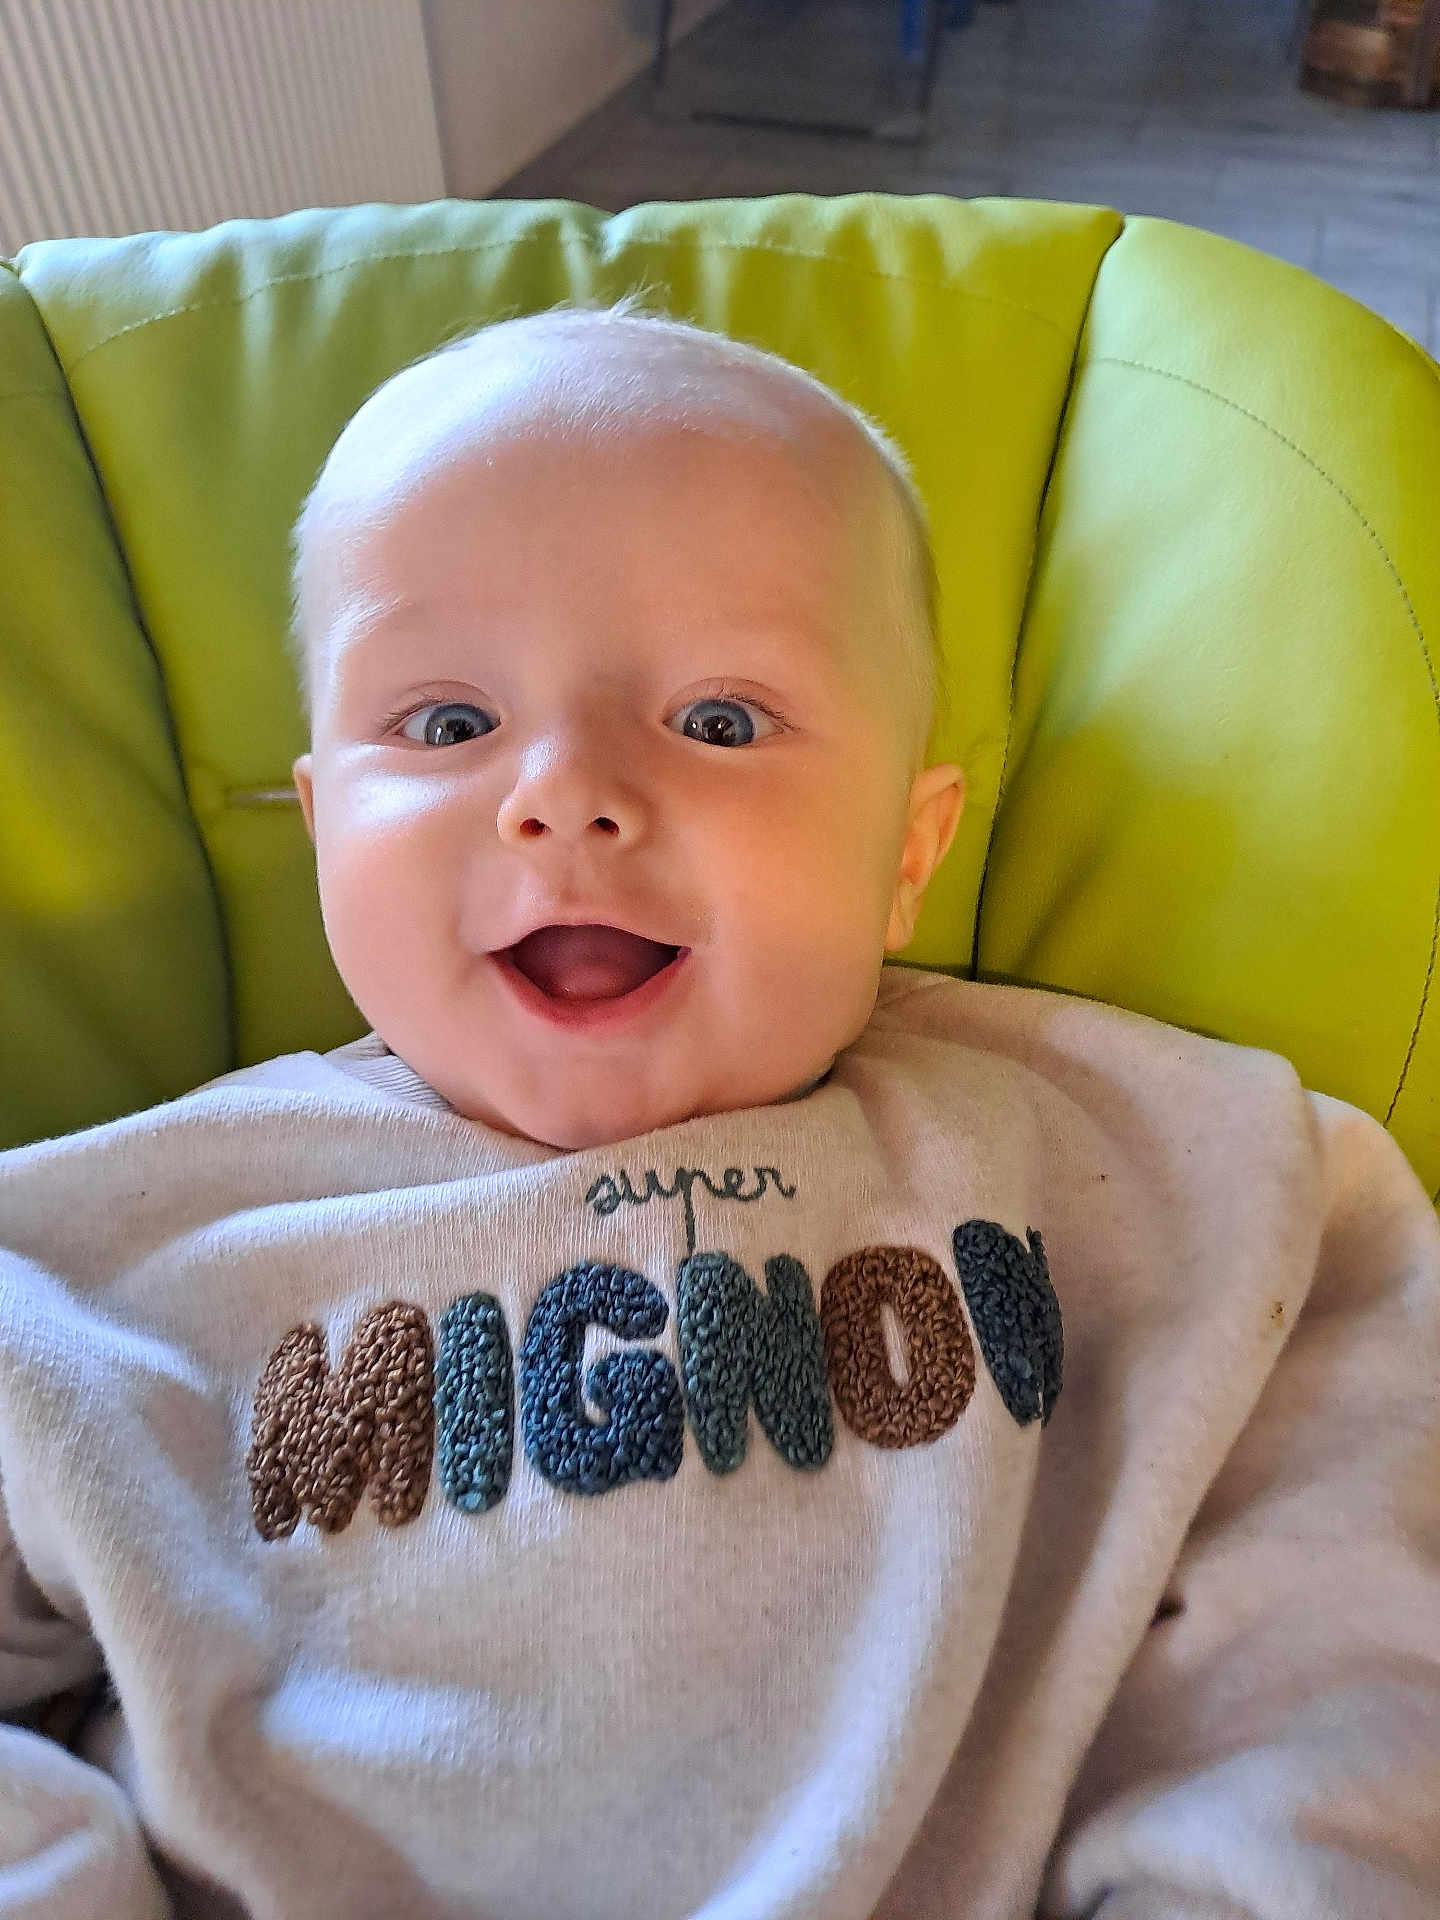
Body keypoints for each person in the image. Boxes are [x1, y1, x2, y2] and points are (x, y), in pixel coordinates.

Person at [0, 299, 1437, 1920]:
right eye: (450, 724)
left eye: (720, 721)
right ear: (328, 825)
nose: (564, 789)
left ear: (908, 848)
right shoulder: (87, 1255)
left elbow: (1336, 1656)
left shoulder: (1172, 1174)